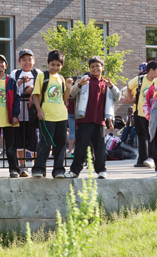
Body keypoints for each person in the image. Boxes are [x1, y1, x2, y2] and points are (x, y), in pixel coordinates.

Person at [67, 56, 121, 179]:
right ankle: (74, 171)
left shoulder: (106, 83)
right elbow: (73, 93)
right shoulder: (84, 80)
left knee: (100, 147)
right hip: (84, 118)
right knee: (81, 146)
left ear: (102, 67)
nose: (95, 68)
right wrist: (79, 85)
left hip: (99, 120)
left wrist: (112, 86)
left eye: (97, 66)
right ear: (89, 69)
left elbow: (117, 97)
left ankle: (101, 170)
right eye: (92, 66)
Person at [31, 49, 73, 178]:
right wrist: (39, 110)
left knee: (60, 145)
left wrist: (69, 87)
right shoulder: (42, 76)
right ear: (48, 63)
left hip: (61, 115)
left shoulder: (61, 78)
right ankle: (38, 168)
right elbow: (36, 95)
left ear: (62, 65)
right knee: (45, 143)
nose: (55, 67)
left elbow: (64, 98)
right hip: (46, 115)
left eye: (58, 65)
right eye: (53, 64)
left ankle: (58, 170)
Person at [12, 49, 40, 176]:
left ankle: (37, 166)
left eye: (29, 59)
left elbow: (43, 88)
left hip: (33, 115)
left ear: (33, 61)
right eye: (24, 60)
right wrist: (20, 82)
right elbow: (10, 89)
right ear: (19, 61)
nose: (27, 62)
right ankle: (22, 167)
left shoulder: (38, 73)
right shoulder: (15, 73)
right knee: (20, 143)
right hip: (19, 115)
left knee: (35, 142)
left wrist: (34, 88)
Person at [126, 60, 157, 168]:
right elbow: (129, 85)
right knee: (141, 136)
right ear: (151, 70)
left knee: (151, 136)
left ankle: (152, 158)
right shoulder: (140, 79)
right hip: (139, 112)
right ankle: (142, 160)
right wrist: (130, 99)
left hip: (153, 113)